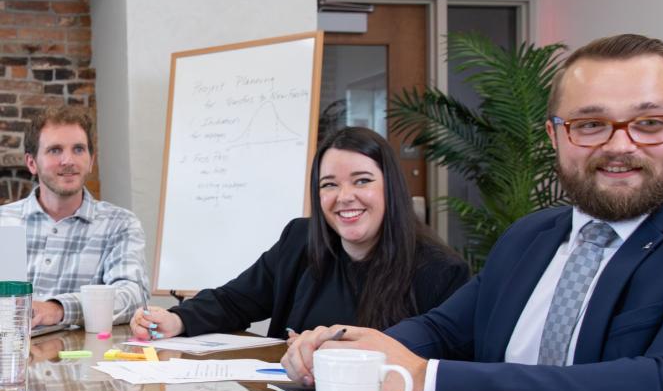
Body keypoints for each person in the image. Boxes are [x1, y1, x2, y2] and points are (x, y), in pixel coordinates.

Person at [283, 34, 663, 391]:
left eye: (650, 123)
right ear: (554, 135)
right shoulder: (528, 237)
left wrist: (425, 381)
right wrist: (345, 352)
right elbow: (444, 330)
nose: (619, 145)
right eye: (590, 125)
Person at [130, 127, 469, 340]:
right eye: (329, 185)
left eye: (362, 181)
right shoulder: (300, 241)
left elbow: (441, 367)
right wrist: (176, 319)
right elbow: (235, 301)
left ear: (391, 187)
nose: (345, 196)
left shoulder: (440, 271)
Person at [0, 106, 149, 327]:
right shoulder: (4, 222)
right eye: (55, 150)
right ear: (32, 163)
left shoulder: (120, 225)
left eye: (78, 149)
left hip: (82, 359)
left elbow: (133, 298)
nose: (68, 160)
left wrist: (58, 309)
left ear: (90, 161)